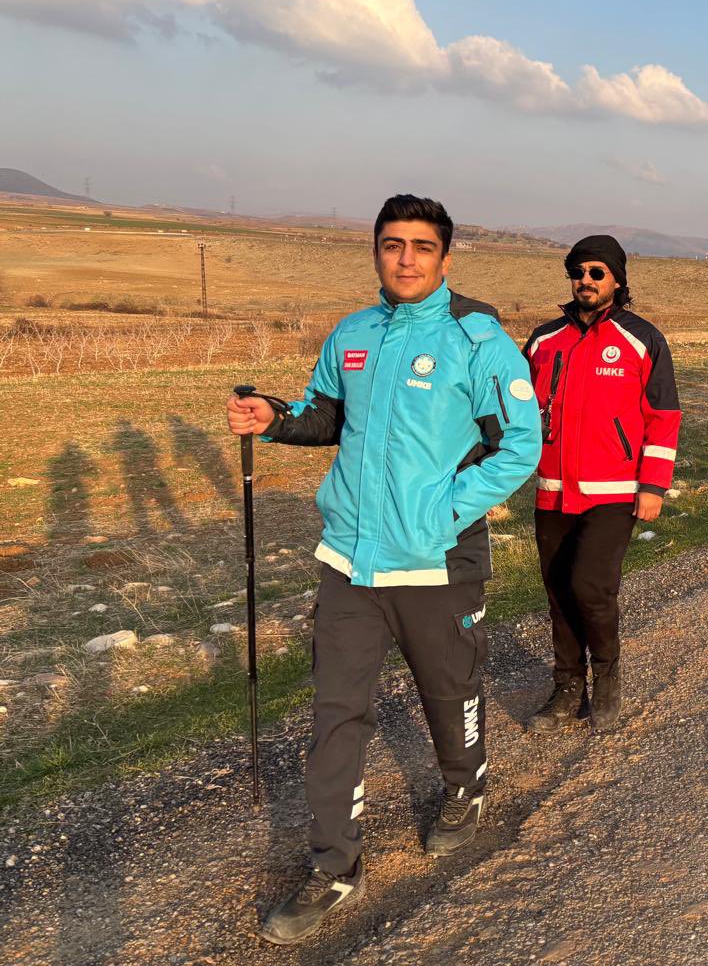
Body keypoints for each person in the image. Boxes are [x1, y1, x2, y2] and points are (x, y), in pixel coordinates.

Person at [232, 195, 540, 946]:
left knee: (449, 692)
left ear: (446, 257)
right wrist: (273, 417)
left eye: (421, 246)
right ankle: (335, 864)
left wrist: (444, 510)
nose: (405, 258)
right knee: (336, 714)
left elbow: (522, 446)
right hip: (350, 562)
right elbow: (327, 416)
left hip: (436, 563)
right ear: (375, 251)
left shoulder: (479, 343)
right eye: (392, 244)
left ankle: (464, 787)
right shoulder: (354, 334)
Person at [523, 235, 680, 736]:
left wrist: (653, 485)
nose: (585, 280)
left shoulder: (642, 339)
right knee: (557, 590)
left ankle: (607, 676)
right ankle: (568, 687)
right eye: (578, 272)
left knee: (589, 585)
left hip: (615, 490)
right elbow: (518, 410)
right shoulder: (544, 341)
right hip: (552, 488)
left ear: (616, 279)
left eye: (596, 272)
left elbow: (664, 416)